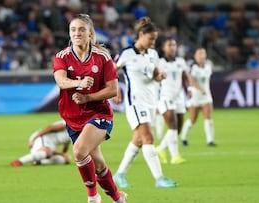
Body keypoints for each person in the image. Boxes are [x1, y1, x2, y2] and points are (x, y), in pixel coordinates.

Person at [52, 14, 127, 203]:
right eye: (73, 30)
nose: (77, 33)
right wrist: (79, 82)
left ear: (90, 33)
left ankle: (93, 197)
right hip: (73, 117)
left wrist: (88, 97)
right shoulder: (63, 56)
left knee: (78, 151)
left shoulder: (102, 58)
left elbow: (112, 90)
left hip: (99, 114)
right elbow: (61, 81)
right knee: (99, 164)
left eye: (82, 29)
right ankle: (118, 197)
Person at [113, 17, 177, 189]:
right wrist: (115, 89)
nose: (153, 42)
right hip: (135, 103)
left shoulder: (153, 54)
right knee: (148, 137)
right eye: (151, 39)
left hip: (150, 102)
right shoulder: (126, 53)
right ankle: (159, 178)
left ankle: (119, 174)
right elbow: (109, 71)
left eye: (155, 40)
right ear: (141, 35)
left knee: (138, 140)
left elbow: (155, 74)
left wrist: (159, 76)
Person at [155, 37, 189, 165]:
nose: (172, 47)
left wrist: (189, 87)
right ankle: (175, 156)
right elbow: (154, 77)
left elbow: (185, 76)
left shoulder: (180, 61)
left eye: (174, 45)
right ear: (164, 48)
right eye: (169, 45)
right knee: (173, 126)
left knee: (178, 128)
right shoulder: (159, 62)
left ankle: (161, 149)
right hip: (165, 97)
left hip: (179, 97)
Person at [180, 47, 216, 147]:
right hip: (195, 96)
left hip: (206, 95)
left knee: (208, 116)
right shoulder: (192, 67)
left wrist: (204, 91)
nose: (201, 56)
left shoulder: (208, 66)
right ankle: (183, 137)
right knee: (193, 119)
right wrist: (200, 90)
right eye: (199, 54)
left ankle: (210, 140)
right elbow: (192, 80)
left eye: (203, 54)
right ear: (195, 56)